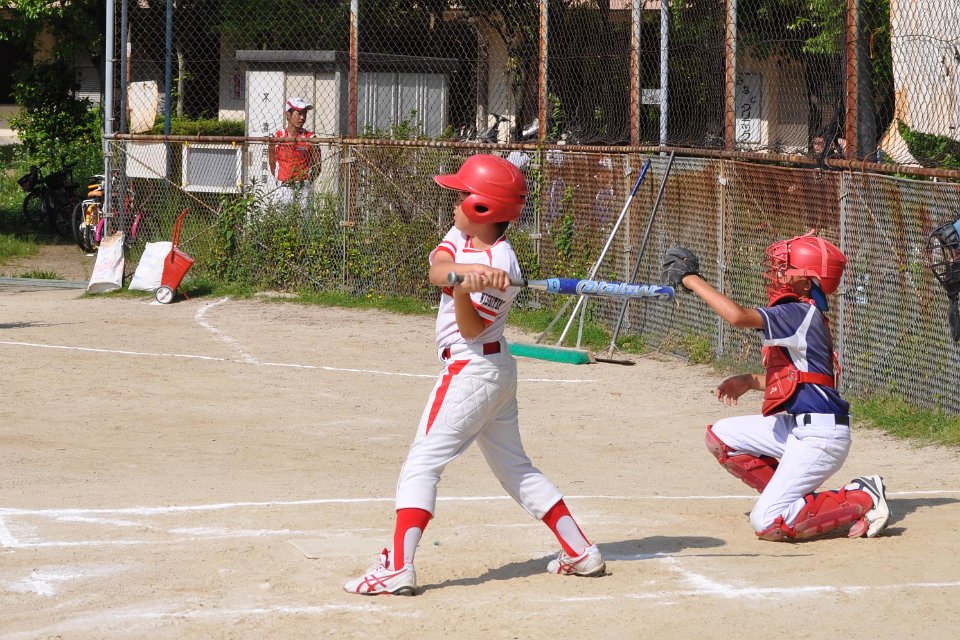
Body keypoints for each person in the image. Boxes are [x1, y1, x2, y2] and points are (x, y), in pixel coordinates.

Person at [343, 154, 605, 596]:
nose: (455, 201)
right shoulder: (462, 235)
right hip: (487, 371)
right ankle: (580, 551)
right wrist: (465, 274)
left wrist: (466, 291)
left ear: (483, 207)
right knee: (515, 468)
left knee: (422, 462)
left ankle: (398, 567)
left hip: (473, 368)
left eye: (463, 195)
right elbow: (437, 269)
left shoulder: (505, 265)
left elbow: (470, 329)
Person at [659, 232, 891, 541]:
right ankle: (788, 499)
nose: (779, 274)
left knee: (766, 522)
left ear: (806, 282)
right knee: (722, 436)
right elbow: (801, 378)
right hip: (799, 429)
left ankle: (863, 495)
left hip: (821, 437)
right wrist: (749, 381)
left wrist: (691, 280)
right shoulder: (805, 313)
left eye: (787, 268)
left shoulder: (799, 312)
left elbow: (737, 317)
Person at [268, 97, 320, 208]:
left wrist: (306, 182)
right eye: (299, 113)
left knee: (304, 219)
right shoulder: (276, 137)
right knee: (280, 218)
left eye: (304, 113)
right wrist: (281, 178)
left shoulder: (310, 137)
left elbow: (317, 166)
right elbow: (272, 163)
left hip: (304, 188)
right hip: (283, 188)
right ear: (288, 115)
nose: (302, 117)